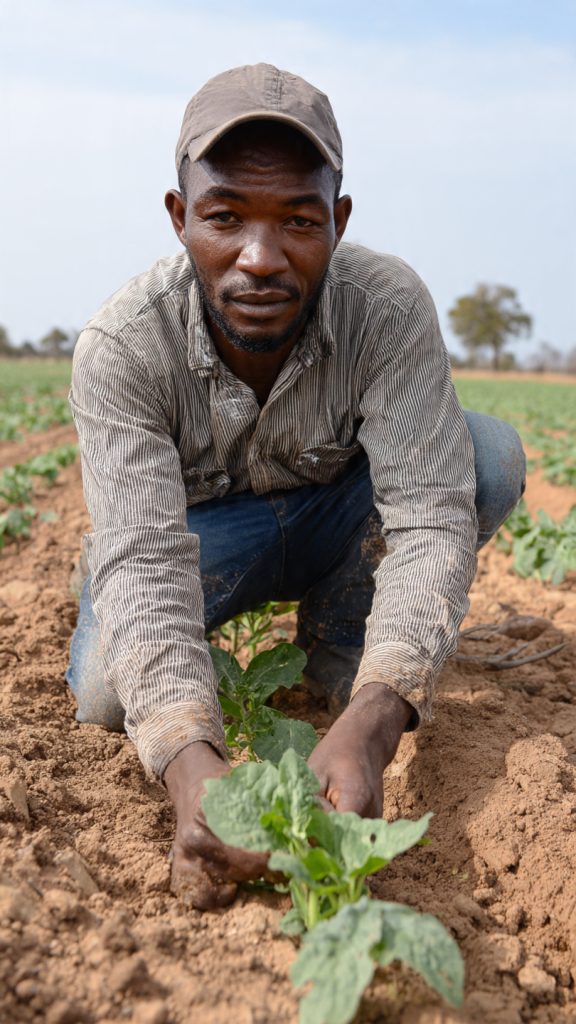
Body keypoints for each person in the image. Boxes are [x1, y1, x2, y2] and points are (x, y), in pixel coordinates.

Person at [67, 63, 525, 909]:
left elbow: (426, 520)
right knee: (106, 690)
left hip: (332, 513)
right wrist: (192, 766)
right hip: (206, 542)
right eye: (225, 216)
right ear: (180, 218)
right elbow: (146, 562)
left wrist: (376, 719)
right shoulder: (124, 347)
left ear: (339, 222)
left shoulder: (385, 309)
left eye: (299, 221)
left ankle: (342, 640)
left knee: (486, 459)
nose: (260, 258)